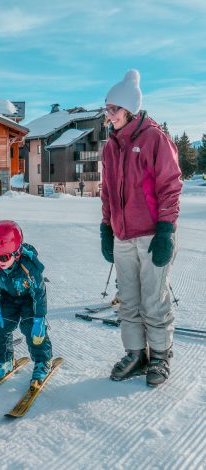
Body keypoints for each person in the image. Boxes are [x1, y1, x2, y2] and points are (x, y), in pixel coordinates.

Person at [100, 70, 182, 387]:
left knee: (154, 300)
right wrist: (107, 228)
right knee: (129, 301)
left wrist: (165, 231)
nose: (108, 116)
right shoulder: (110, 147)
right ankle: (136, 354)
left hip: (151, 235)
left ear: (130, 109)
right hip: (122, 235)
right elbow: (107, 192)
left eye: (113, 109)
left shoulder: (154, 139)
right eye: (106, 109)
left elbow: (170, 187)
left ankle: (160, 356)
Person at [0, 220, 53, 385]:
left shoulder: (29, 267)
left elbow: (39, 293)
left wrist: (39, 318)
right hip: (8, 299)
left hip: (30, 301)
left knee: (33, 331)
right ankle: (4, 360)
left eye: (3, 257)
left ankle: (43, 361)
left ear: (16, 253)